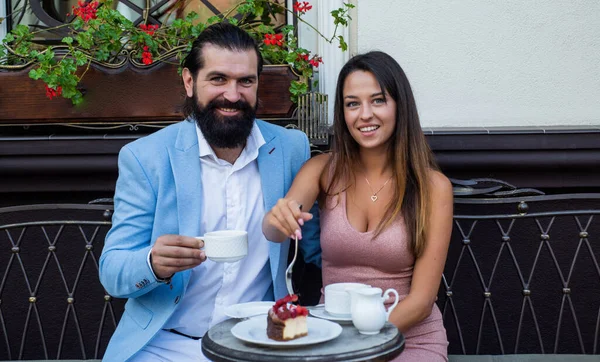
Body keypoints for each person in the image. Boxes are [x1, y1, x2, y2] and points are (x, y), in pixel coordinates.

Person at [99, 22, 320, 362]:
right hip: (166, 344)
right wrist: (153, 263)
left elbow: (317, 245)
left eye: (245, 81)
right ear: (190, 81)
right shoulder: (146, 158)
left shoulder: (291, 149)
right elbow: (112, 271)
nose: (233, 95)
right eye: (218, 79)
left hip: (260, 342)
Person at [263, 51, 453, 361]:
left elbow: (421, 301)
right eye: (353, 103)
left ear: (400, 106)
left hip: (408, 338)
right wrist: (277, 219)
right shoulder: (322, 170)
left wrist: (358, 344)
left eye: (378, 100)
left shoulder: (434, 188)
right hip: (334, 337)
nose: (365, 114)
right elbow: (274, 231)